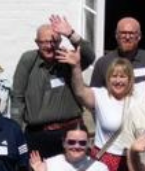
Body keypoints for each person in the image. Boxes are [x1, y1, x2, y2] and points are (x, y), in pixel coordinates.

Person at [13, 16, 95, 156]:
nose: (49, 46)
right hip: (37, 135)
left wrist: (71, 34)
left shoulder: (67, 59)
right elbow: (17, 98)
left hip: (69, 132)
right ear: (37, 43)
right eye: (44, 42)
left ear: (59, 41)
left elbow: (89, 55)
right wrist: (16, 132)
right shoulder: (28, 60)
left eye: (53, 41)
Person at [89, 17, 145, 88]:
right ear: (116, 36)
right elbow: (94, 95)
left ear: (139, 36)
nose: (127, 37)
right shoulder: (103, 63)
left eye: (131, 33)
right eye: (123, 33)